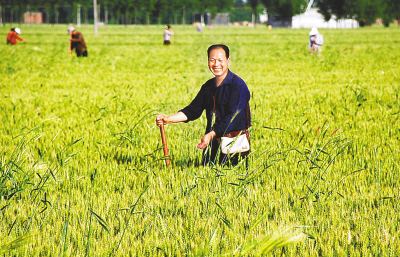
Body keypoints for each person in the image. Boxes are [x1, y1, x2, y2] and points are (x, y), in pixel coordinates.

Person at [156, 44, 251, 167]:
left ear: (228, 60)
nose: (216, 64)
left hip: (235, 146)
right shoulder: (208, 87)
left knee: (231, 179)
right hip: (212, 145)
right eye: (212, 60)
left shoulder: (238, 86)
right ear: (208, 62)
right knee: (208, 179)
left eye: (220, 60)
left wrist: (211, 134)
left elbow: (233, 117)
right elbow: (192, 111)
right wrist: (168, 119)